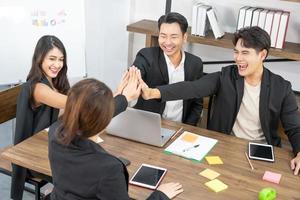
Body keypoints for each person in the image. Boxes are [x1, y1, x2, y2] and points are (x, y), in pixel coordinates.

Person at [140, 26, 300, 175]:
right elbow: (192, 88)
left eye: (245, 53)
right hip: (224, 149)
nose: (238, 59)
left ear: (262, 55)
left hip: (260, 153)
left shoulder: (281, 88)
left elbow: (295, 128)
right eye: (236, 52)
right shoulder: (226, 76)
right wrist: (153, 92)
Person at [11, 35, 140, 200]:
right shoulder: (38, 89)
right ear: (39, 58)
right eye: (52, 58)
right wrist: (124, 97)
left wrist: (117, 93)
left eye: (61, 59)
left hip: (51, 144)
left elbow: (83, 108)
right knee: (92, 172)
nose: (57, 64)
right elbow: (83, 107)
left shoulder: (56, 83)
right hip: (33, 153)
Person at [47, 78, 183, 200]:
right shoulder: (109, 169)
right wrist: (160, 195)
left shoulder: (55, 131)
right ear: (104, 121)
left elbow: (89, 112)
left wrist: (123, 97)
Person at [132, 12, 203, 126]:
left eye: (174, 37)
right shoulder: (146, 56)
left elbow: (197, 104)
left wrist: (187, 127)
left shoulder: (195, 64)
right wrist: (134, 79)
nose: (167, 42)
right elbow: (136, 73)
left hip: (180, 127)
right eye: (163, 36)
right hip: (148, 125)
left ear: (184, 37)